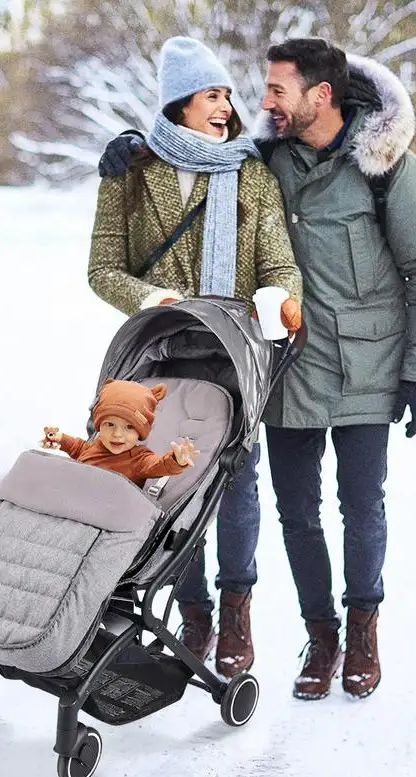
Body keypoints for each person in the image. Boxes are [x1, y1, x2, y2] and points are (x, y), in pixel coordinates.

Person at [99, 37, 416, 700]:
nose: (263, 102)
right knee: (297, 512)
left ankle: (363, 632)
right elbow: (194, 148)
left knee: (363, 505)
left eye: (276, 90)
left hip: (369, 369)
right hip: (285, 368)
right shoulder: (266, 161)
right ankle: (320, 637)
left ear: (322, 95)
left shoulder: (391, 169)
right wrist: (129, 147)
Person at [88, 36, 304, 678]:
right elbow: (101, 269)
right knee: (164, 483)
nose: (225, 106)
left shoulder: (250, 173)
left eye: (228, 96)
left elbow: (278, 261)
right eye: (212, 95)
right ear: (180, 103)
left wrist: (282, 298)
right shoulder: (131, 173)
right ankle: (193, 612)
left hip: (234, 350)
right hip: (157, 352)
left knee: (235, 485)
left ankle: (236, 612)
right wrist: (150, 296)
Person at [40, 379, 198, 487]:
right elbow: (79, 448)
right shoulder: (96, 446)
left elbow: (158, 465)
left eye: (129, 427)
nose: (117, 434)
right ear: (99, 425)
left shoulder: (139, 459)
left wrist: (177, 461)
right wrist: (60, 438)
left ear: (140, 432)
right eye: (109, 424)